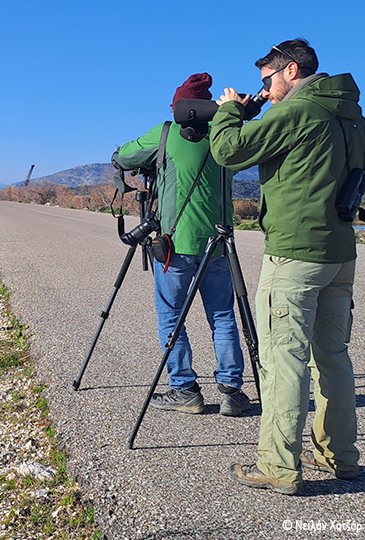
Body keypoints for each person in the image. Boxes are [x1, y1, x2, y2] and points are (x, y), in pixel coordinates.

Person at [208, 39, 365, 494]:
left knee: (283, 360)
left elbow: (228, 151)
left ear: (290, 71)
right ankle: (339, 455)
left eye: (267, 81)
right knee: (333, 357)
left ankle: (278, 466)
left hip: (295, 254)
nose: (264, 91)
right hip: (340, 252)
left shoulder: (298, 111)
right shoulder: (351, 113)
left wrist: (230, 110)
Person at [112, 73, 250, 417]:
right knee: (222, 316)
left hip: (173, 245)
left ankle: (184, 389)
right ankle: (232, 390)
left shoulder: (165, 133)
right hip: (219, 244)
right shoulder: (226, 135)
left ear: (180, 109)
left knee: (171, 316)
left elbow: (125, 156)